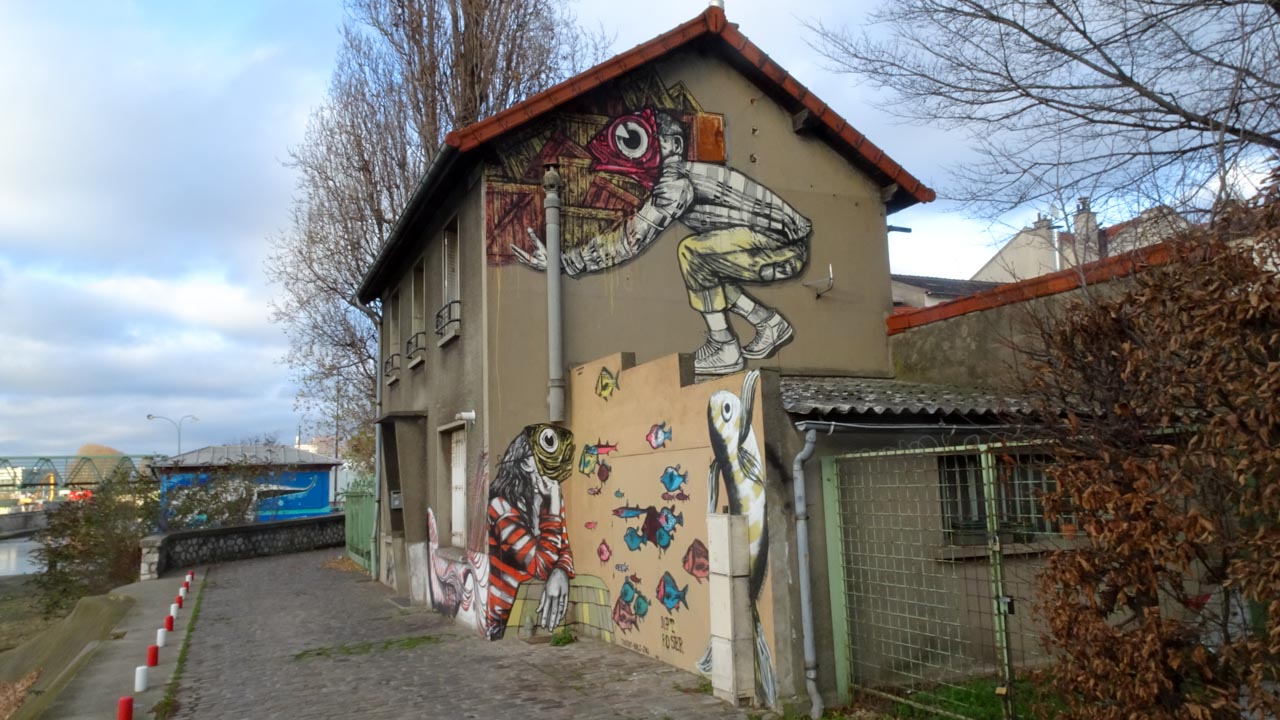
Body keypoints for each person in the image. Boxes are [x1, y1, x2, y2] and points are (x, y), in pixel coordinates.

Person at [514, 111, 812, 375]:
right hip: (772, 244)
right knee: (707, 265)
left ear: (675, 146)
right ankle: (768, 322)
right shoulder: (681, 178)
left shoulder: (676, 180)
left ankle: (724, 346)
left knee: (693, 253)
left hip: (780, 246)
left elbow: (632, 239)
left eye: (637, 140)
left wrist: (564, 261)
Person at [485, 424, 575, 640]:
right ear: (525, 463)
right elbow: (540, 566)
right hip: (502, 624)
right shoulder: (500, 506)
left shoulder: (549, 498)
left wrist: (561, 571)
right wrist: (553, 508)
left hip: (531, 610)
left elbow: (563, 549)